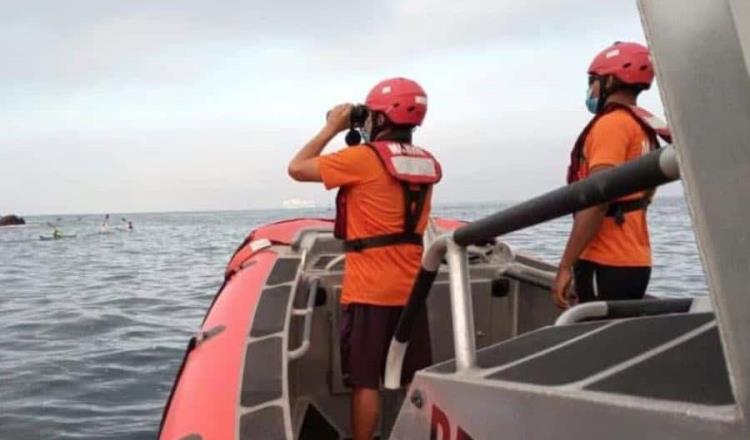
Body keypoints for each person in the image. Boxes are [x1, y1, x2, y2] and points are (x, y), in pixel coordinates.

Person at [288, 78, 441, 440]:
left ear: (383, 117)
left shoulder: (361, 159)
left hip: (370, 290)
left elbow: (297, 168)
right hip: (413, 290)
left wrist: (332, 126)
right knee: (412, 379)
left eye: (370, 115)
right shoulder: (425, 162)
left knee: (365, 382)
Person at [552, 42, 672, 309]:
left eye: (592, 82)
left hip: (604, 260)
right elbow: (647, 193)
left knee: (594, 342)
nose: (590, 90)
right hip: (636, 259)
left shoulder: (612, 125)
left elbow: (598, 197)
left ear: (609, 81)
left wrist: (565, 266)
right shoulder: (642, 128)